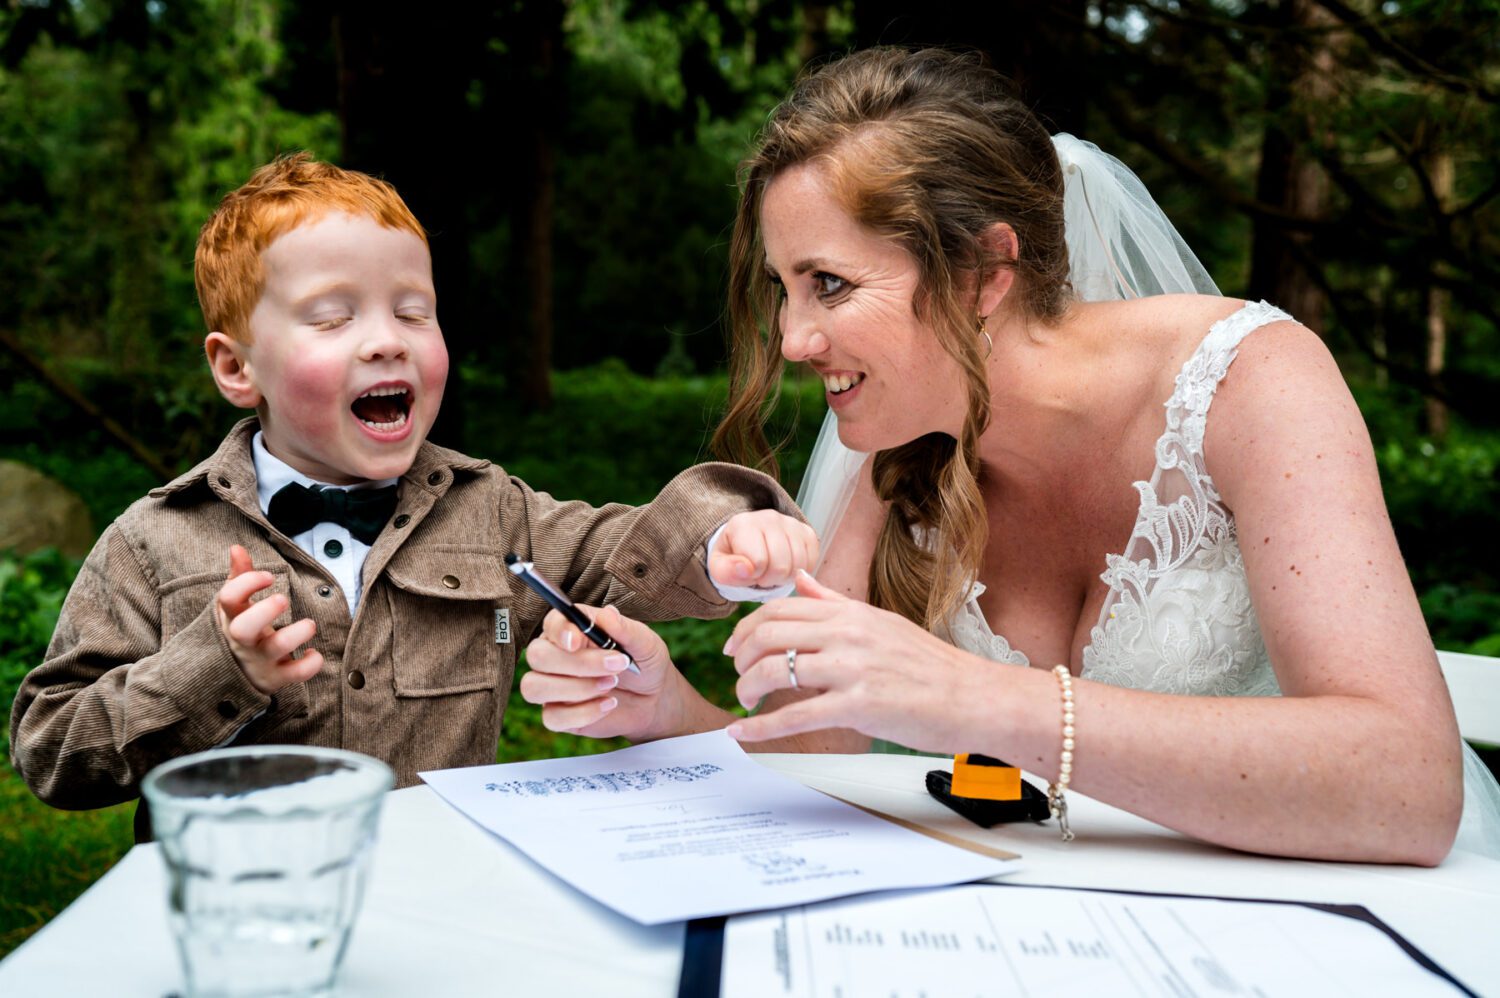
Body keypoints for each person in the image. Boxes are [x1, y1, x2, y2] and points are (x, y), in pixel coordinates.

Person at [522, 47, 1500, 865]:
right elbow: (821, 748)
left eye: (828, 282)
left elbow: (1407, 782)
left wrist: (978, 697)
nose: (792, 339)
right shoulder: (896, 442)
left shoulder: (1255, 382)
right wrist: (659, 705)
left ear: (985, 273)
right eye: (785, 287)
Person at [8, 154, 818, 836]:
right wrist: (214, 667)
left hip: (444, 913)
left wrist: (727, 539)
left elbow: (628, 549)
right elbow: (51, 750)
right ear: (235, 367)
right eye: (331, 318)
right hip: (243, 927)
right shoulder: (156, 541)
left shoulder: (490, 512)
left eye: (413, 311)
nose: (387, 338)